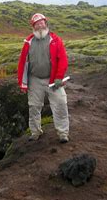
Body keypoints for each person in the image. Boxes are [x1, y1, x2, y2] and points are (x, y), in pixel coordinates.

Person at [17, 13, 70, 143]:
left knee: (60, 105)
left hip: (53, 80)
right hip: (34, 79)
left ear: (46, 24)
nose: (39, 25)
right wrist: (22, 83)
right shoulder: (28, 42)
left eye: (41, 23)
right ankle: (35, 132)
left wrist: (59, 77)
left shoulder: (55, 40)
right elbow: (22, 63)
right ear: (33, 27)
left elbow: (63, 59)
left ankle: (63, 133)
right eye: (36, 24)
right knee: (34, 107)